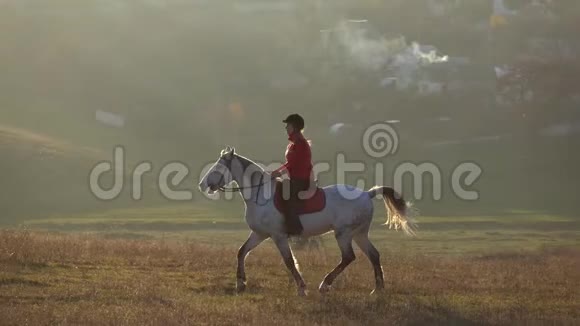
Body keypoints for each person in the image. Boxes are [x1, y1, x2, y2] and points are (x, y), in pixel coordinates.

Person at [269, 113, 313, 236]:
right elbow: (289, 163)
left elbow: (292, 164)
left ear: (294, 127)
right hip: (294, 178)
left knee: (286, 195)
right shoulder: (293, 144)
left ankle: (294, 228)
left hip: (301, 180)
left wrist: (277, 172)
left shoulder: (300, 143)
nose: (286, 127)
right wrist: (276, 172)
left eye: (288, 125)